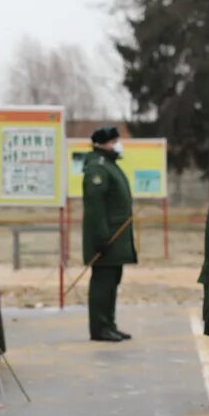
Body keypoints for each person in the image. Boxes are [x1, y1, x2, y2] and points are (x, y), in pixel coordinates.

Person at [81, 126, 136, 342]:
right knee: (102, 283)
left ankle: (109, 324)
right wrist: (101, 238)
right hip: (106, 238)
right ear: (100, 144)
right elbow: (95, 208)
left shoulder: (110, 165)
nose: (117, 145)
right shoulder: (98, 168)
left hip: (116, 237)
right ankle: (99, 327)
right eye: (113, 142)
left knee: (112, 281)